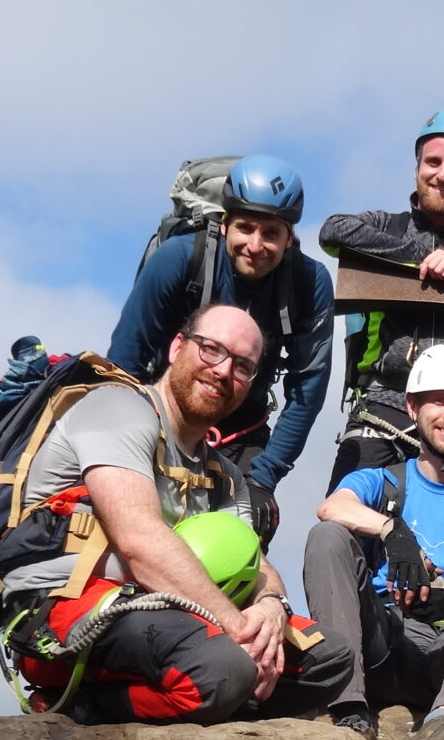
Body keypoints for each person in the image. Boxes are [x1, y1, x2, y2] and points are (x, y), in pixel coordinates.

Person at [2, 303, 348, 726]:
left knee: (328, 657)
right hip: (65, 611)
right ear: (177, 347)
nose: (223, 371)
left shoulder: (224, 475)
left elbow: (257, 564)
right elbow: (140, 542)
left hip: (167, 614)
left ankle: (208, 696)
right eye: (211, 350)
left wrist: (272, 606)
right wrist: (239, 630)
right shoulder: (117, 409)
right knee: (224, 670)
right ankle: (76, 707)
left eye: (242, 365)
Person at [299, 343, 444, 740]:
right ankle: (347, 706)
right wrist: (394, 532)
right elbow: (332, 508)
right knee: (327, 538)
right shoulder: (381, 480)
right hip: (381, 638)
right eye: (439, 401)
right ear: (412, 408)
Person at [107, 154, 334, 514]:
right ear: (225, 224)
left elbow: (308, 389)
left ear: (289, 238)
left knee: (242, 542)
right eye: (245, 227)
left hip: (243, 433)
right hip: (163, 416)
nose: (256, 246)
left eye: (271, 233)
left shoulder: (309, 282)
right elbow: (125, 357)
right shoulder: (180, 257)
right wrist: (127, 440)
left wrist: (264, 479)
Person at [316, 110, 444, 484]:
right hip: (381, 404)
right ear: (417, 169)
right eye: (433, 162)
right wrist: (415, 258)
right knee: (343, 529)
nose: (443, 174)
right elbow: (333, 231)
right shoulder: (386, 225)